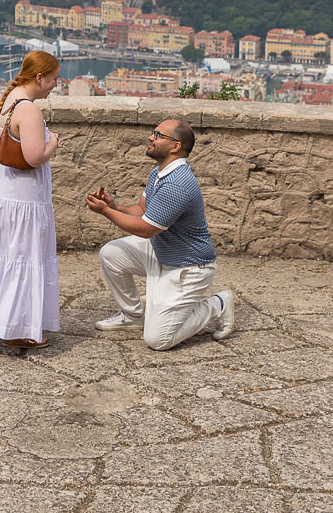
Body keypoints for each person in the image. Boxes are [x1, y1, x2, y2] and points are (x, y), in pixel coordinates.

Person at [86, 117, 234, 351]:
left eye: (158, 135)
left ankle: (218, 305)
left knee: (158, 340)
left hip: (188, 267)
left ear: (175, 146)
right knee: (112, 253)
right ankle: (132, 316)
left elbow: (146, 229)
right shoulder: (160, 172)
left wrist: (105, 212)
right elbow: (143, 210)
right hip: (163, 252)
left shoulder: (177, 184)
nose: (150, 138)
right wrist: (115, 207)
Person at [0, 50, 63, 350]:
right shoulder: (29, 110)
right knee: (22, 256)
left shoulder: (11, 98)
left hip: (4, 192)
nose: (55, 85)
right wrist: (52, 144)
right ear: (39, 77)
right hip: (23, 196)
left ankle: (3, 320)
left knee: (6, 254)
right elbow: (34, 157)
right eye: (54, 79)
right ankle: (17, 329)